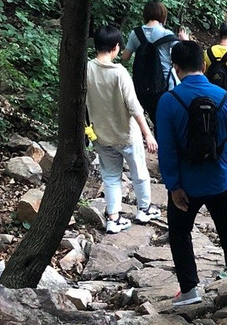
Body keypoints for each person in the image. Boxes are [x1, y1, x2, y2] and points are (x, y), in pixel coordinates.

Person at [156, 40, 227, 306]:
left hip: (186, 184)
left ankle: (189, 289)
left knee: (180, 233)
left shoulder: (168, 101)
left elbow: (166, 150)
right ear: (204, 65)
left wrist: (173, 185)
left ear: (176, 68)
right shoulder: (225, 97)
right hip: (220, 179)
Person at [86, 25, 160, 234]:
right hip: (126, 135)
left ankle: (113, 218)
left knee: (110, 177)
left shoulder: (86, 70)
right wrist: (147, 133)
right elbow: (134, 106)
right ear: (116, 47)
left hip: (101, 134)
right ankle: (144, 209)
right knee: (139, 173)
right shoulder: (119, 73)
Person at [121, 2, 178, 125]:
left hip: (144, 85)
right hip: (165, 84)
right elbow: (181, 54)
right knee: (166, 121)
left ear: (145, 15)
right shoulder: (167, 34)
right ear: (163, 15)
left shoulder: (135, 33)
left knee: (154, 116)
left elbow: (125, 57)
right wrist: (184, 40)